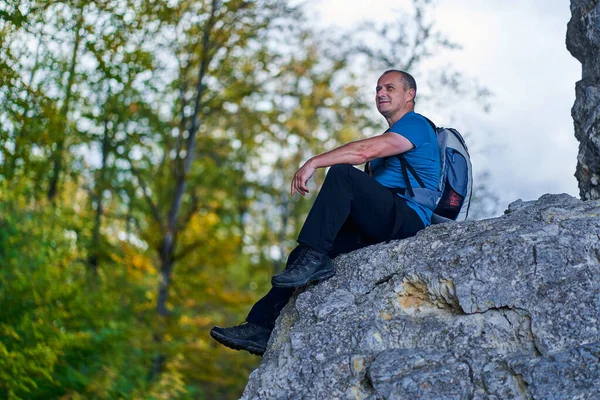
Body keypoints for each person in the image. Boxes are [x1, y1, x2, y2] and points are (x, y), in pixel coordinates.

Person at [210, 70, 440, 355]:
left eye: (389, 88)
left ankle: (314, 257)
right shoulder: (393, 134)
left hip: (410, 220)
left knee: (343, 175)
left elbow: (364, 152)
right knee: (303, 257)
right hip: (385, 222)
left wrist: (314, 162)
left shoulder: (416, 125)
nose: (380, 93)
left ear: (410, 95)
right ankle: (260, 328)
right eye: (378, 88)